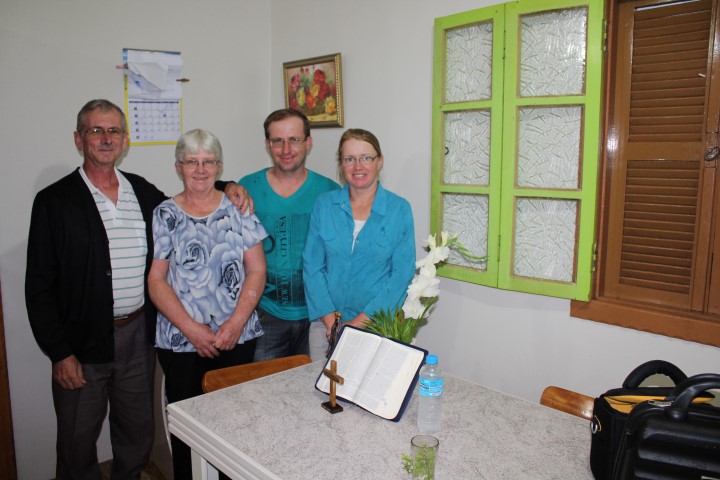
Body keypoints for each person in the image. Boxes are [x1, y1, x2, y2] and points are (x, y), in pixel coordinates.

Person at [25, 99, 250, 480]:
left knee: (136, 435)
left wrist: (227, 186)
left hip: (137, 337)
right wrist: (60, 353)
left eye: (114, 130)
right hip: (81, 343)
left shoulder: (140, 191)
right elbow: (39, 286)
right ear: (79, 139)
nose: (106, 138)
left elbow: (188, 201)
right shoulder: (54, 201)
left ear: (125, 139)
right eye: (96, 130)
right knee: (77, 442)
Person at [148, 128, 267, 480]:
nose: (200, 170)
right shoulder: (164, 214)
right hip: (182, 343)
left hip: (237, 338)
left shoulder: (239, 208)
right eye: (191, 162)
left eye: (208, 162)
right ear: (178, 167)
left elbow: (257, 270)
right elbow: (156, 280)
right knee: (188, 432)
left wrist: (235, 323)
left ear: (219, 166)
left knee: (237, 428)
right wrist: (192, 330)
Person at [303, 128, 416, 353]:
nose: (358, 166)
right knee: (320, 378)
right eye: (349, 159)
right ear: (341, 164)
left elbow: (401, 276)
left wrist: (356, 324)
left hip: (376, 327)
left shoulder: (399, 209)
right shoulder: (324, 205)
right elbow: (312, 266)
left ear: (379, 161)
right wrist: (331, 322)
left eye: (366, 158)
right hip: (325, 327)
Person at [238, 109, 339, 362]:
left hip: (318, 315)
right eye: (277, 141)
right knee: (263, 384)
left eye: (294, 139)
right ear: (267, 144)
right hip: (265, 313)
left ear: (308, 142)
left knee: (315, 383)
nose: (286, 149)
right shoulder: (248, 188)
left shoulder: (329, 192)